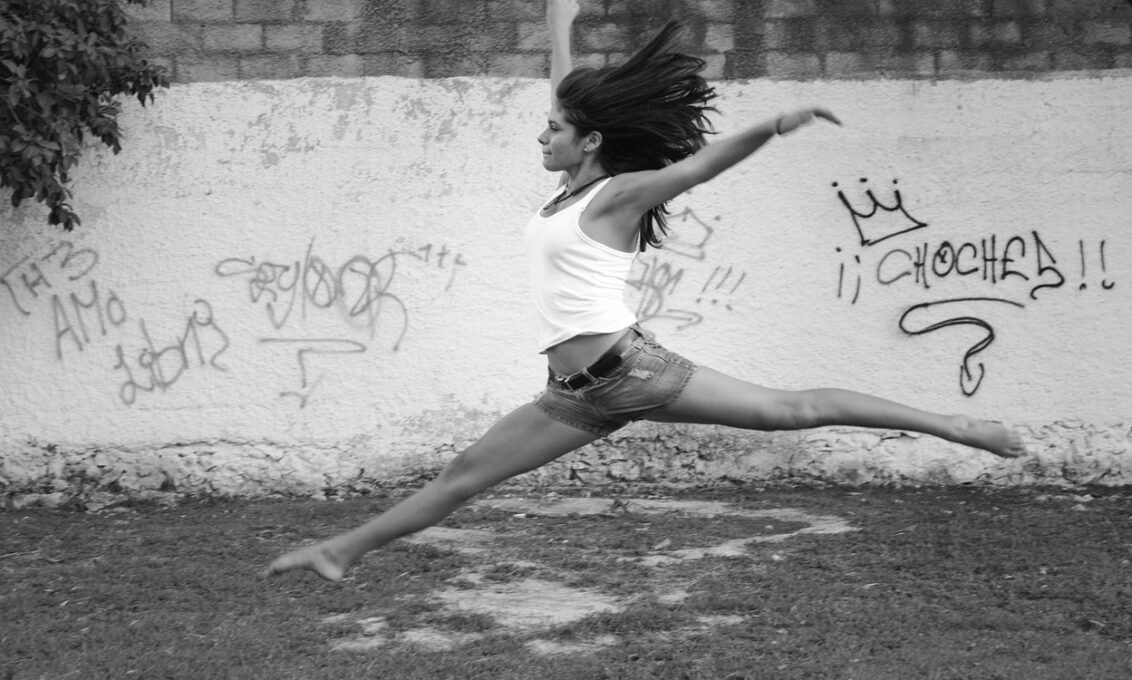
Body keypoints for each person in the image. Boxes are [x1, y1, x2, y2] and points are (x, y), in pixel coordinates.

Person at [267, 0, 1025, 582]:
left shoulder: (618, 195)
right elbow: (565, 91)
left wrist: (772, 125)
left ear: (589, 141)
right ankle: (341, 551)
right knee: (462, 476)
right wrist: (559, 19)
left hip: (631, 373)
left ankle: (959, 427)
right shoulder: (569, 188)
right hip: (573, 396)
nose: (542, 136)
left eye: (553, 130)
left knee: (789, 411)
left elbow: (696, 167)